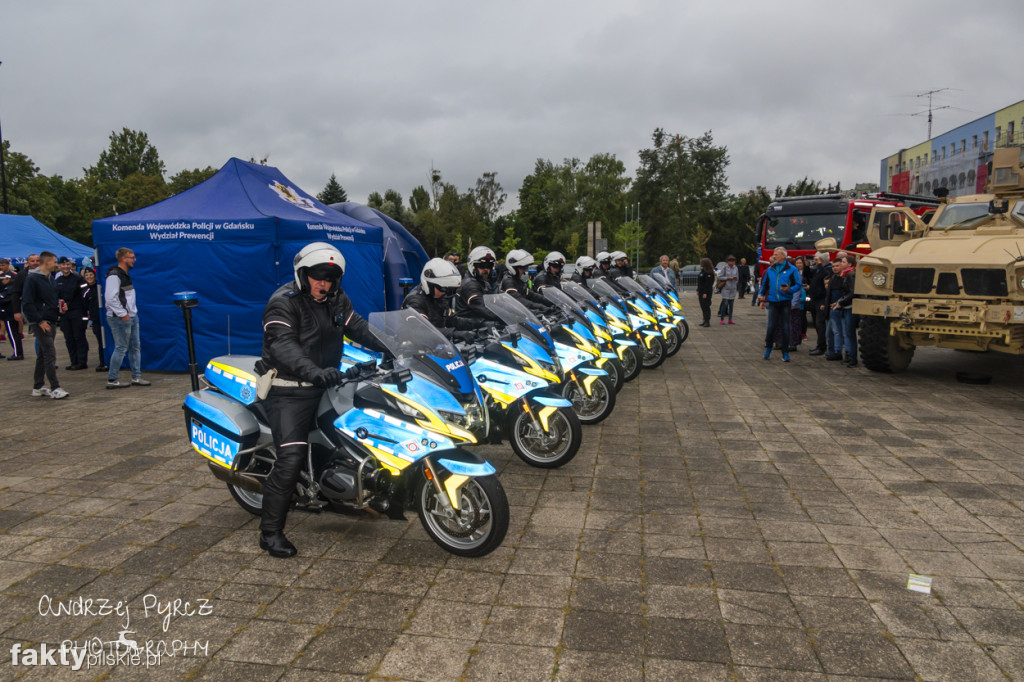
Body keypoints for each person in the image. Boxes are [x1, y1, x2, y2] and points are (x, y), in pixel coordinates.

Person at [257, 242, 382, 558]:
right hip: (288, 389)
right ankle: (270, 533)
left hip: (326, 381)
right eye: (316, 276)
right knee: (291, 457)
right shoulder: (282, 304)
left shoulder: (337, 300)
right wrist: (314, 372)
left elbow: (359, 327)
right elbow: (284, 347)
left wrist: (395, 346)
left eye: (329, 277)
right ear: (302, 274)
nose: (323, 283)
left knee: (365, 426)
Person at [403, 258, 488, 340]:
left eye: (449, 290)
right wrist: (454, 334)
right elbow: (421, 330)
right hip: (414, 348)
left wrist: (480, 323)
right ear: (429, 284)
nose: (445, 293)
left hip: (436, 344)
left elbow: (453, 320)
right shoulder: (414, 301)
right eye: (443, 289)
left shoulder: (438, 298)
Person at [22, 251, 69, 399]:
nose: (57, 265)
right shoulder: (32, 279)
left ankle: (38, 386)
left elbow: (53, 298)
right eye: (55, 262)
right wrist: (39, 321)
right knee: (50, 353)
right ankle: (55, 387)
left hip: (51, 318)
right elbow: (27, 303)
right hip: (42, 321)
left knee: (43, 355)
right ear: (47, 261)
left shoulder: (50, 278)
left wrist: (61, 305)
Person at [105, 248, 150, 388]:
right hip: (120, 318)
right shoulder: (114, 275)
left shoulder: (124, 274)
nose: (134, 259)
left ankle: (136, 376)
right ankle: (112, 379)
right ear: (123, 258)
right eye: (131, 257)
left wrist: (130, 313)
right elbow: (110, 298)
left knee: (135, 346)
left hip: (131, 315)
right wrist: (122, 314)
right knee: (121, 348)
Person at [757, 247, 801, 362]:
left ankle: (785, 352)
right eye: (774, 254)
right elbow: (765, 284)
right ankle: (768, 348)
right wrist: (761, 294)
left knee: (786, 327)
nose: (774, 256)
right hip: (773, 301)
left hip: (785, 301)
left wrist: (789, 289)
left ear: (783, 256)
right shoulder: (771, 269)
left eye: (776, 254)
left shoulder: (792, 269)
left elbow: (798, 284)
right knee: (771, 326)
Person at [54, 257, 89, 370]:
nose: (65, 267)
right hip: (64, 314)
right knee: (69, 338)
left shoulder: (78, 278)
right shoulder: (57, 281)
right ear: (59, 266)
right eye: (63, 265)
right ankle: (74, 361)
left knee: (79, 336)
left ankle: (82, 361)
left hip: (77, 312)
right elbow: (55, 296)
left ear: (71, 266)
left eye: (68, 264)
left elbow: (84, 295)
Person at [455, 246, 502, 323]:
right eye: (482, 266)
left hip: (481, 325)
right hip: (469, 328)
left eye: (489, 266)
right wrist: (506, 317)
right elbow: (482, 308)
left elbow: (496, 303)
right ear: (473, 266)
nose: (486, 269)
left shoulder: (485, 283)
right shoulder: (470, 285)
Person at [7, 253, 38, 361]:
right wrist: (16, 311)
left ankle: (45, 358)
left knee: (44, 335)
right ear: (28, 263)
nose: (35, 263)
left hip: (43, 307)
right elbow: (15, 293)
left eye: (37, 261)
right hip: (28, 307)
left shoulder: (45, 273)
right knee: (39, 333)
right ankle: (42, 358)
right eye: (32, 261)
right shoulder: (22, 275)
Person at [831, 255, 858, 367]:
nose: (841, 264)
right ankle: (850, 356)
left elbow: (852, 293)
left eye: (843, 262)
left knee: (850, 333)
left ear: (850, 264)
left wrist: (841, 302)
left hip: (850, 307)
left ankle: (852, 357)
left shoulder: (851, 275)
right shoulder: (846, 275)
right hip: (846, 307)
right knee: (847, 332)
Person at [80, 268, 109, 371]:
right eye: (87, 276)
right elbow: (83, 307)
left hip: (106, 318)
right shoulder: (85, 291)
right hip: (95, 319)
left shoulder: (101, 287)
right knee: (100, 342)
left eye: (91, 275)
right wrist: (87, 320)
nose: (89, 277)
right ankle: (103, 362)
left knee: (108, 340)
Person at [808, 252, 831, 356]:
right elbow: (808, 275)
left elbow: (824, 276)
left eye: (816, 259)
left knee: (820, 323)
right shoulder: (818, 269)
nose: (815, 261)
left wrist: (820, 265)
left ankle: (822, 346)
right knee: (816, 323)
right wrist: (807, 265)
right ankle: (819, 345)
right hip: (815, 298)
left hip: (822, 299)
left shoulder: (827, 268)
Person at [716, 255, 739, 324]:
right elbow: (720, 277)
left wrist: (736, 279)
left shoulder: (736, 268)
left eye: (733, 261)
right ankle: (722, 319)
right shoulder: (724, 268)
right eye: (730, 261)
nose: (732, 263)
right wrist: (727, 278)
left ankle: (730, 319)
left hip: (733, 289)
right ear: (728, 262)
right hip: (726, 288)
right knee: (725, 303)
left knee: (731, 305)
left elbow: (738, 277)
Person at [696, 258, 715, 327]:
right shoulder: (702, 272)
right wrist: (698, 290)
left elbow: (708, 284)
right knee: (702, 306)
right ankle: (704, 320)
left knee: (706, 306)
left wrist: (705, 293)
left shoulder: (709, 273)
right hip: (701, 291)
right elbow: (700, 282)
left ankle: (707, 320)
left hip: (706, 292)